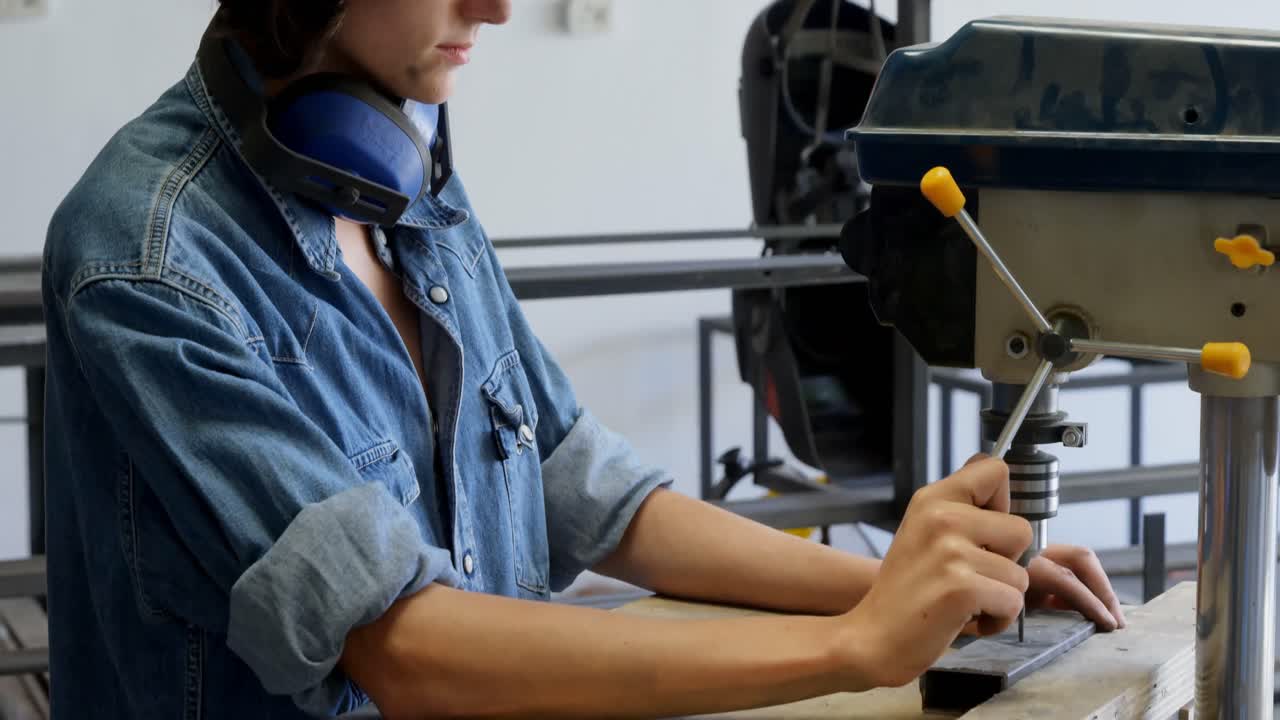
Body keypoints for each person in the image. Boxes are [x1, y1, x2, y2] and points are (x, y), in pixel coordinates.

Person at [40, 1, 1125, 718]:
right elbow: (399, 647)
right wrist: (856, 647)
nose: (497, 9)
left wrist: (920, 588)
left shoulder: (398, 162)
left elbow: (582, 487)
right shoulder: (146, 257)